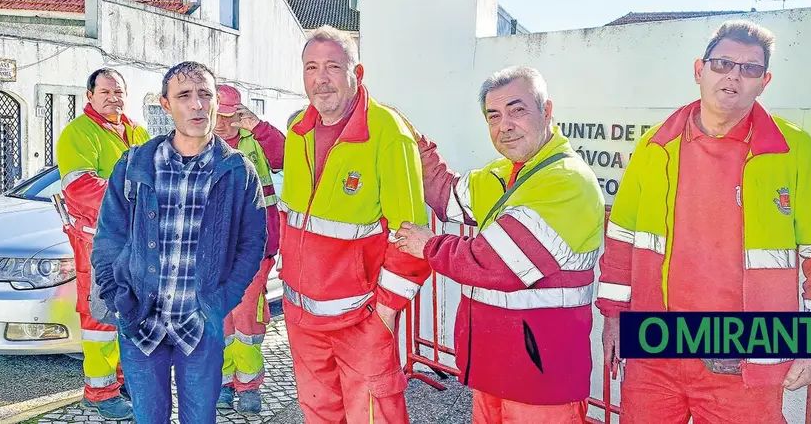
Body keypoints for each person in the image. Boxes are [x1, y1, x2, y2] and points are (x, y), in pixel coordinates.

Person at [595, 20, 811, 423]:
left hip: (743, 359)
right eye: (722, 64)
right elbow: (621, 241)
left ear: (764, 81)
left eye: (749, 68)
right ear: (700, 70)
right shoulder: (654, 147)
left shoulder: (792, 151)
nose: (734, 75)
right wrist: (613, 315)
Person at [394, 65, 603, 424]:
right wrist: (413, 143)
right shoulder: (503, 172)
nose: (504, 125)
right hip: (494, 370)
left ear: (547, 111)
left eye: (517, 110)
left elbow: (498, 264)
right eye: (494, 115)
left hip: (542, 380)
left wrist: (428, 246)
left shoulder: (567, 181)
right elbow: (447, 195)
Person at [90, 61, 266, 424]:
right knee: (148, 418)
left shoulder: (237, 171)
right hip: (141, 321)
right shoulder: (136, 162)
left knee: (200, 418)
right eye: (184, 96)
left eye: (205, 95)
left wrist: (220, 302)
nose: (197, 105)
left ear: (216, 102)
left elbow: (252, 244)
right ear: (165, 104)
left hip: (201, 326)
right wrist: (118, 297)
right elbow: (109, 236)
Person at [280, 25, 430, 423]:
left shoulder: (389, 133)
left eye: (333, 66)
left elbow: (411, 237)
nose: (321, 78)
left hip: (360, 319)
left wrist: (387, 310)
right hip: (302, 315)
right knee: (319, 414)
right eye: (311, 67)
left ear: (357, 74)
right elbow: (291, 217)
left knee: (372, 416)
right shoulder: (297, 130)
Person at [56, 67, 150, 420]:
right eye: (106, 91)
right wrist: (135, 201)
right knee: (100, 318)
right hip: (99, 242)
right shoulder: (77, 133)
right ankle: (99, 392)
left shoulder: (136, 130)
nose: (114, 97)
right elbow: (80, 188)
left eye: (119, 91)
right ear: (90, 96)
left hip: (135, 240)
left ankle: (123, 382)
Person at [213, 84, 285, 413]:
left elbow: (285, 157)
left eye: (231, 117)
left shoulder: (255, 139)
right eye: (218, 116)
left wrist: (259, 127)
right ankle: (224, 382)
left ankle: (249, 384)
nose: (223, 124)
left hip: (255, 249)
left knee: (247, 317)